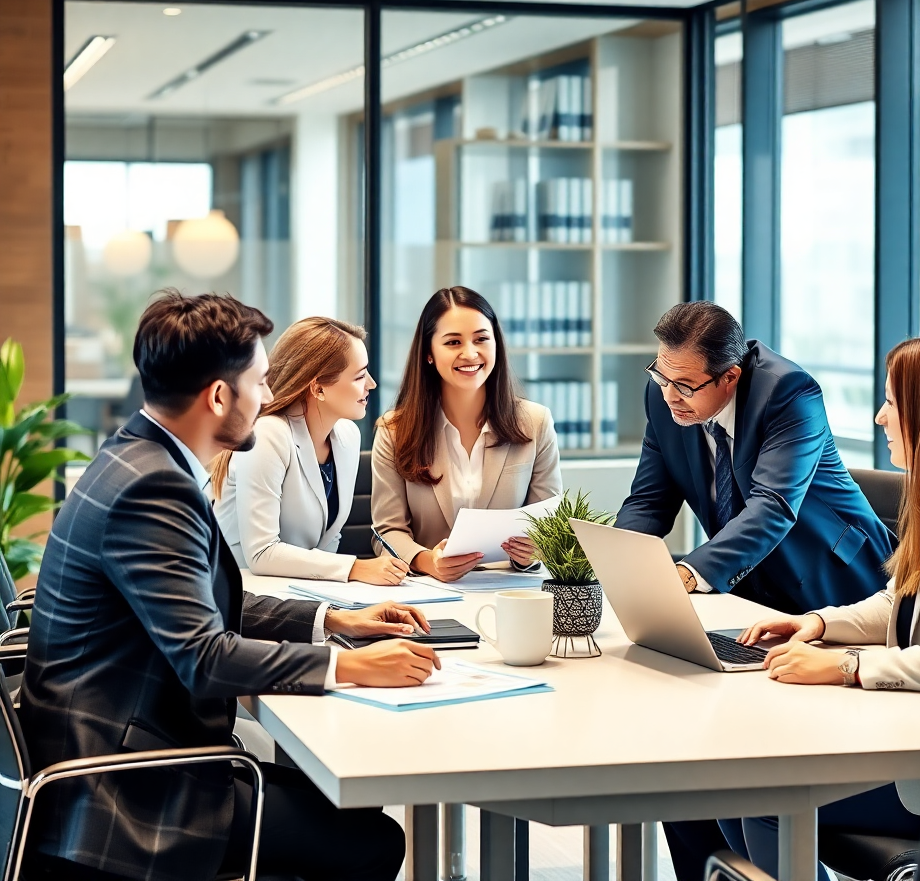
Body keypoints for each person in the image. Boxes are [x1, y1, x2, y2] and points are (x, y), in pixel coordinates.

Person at [19, 291, 440, 881]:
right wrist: (351, 667)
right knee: (370, 839)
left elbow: (203, 606)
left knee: (340, 807)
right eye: (262, 382)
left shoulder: (136, 459)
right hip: (128, 792)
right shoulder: (153, 490)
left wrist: (334, 622)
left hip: (111, 752)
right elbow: (202, 657)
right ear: (220, 396)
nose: (270, 397)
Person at [614, 301, 894, 881]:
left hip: (833, 592)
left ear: (731, 376)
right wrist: (611, 572)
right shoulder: (667, 394)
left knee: (750, 772)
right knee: (677, 762)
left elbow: (774, 506)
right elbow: (648, 501)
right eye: (660, 376)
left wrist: (689, 573)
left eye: (686, 385)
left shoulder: (791, 393)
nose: (670, 395)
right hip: (755, 600)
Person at [728, 333, 920, 880]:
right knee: (728, 788)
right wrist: (818, 623)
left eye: (891, 402)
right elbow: (902, 599)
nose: (878, 417)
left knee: (760, 797)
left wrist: (846, 666)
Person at [372, 286, 561, 582]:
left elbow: (548, 526)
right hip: (430, 591)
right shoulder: (394, 430)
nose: (470, 353)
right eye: (453, 342)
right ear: (429, 354)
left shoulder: (536, 422)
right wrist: (427, 561)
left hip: (511, 587)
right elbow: (386, 531)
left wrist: (532, 553)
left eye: (481, 339)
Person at [212, 316, 407, 585]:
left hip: (300, 594)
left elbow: (328, 540)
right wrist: (355, 569)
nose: (371, 384)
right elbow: (261, 553)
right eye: (360, 376)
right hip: (243, 599)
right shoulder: (268, 435)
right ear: (318, 388)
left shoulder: (347, 436)